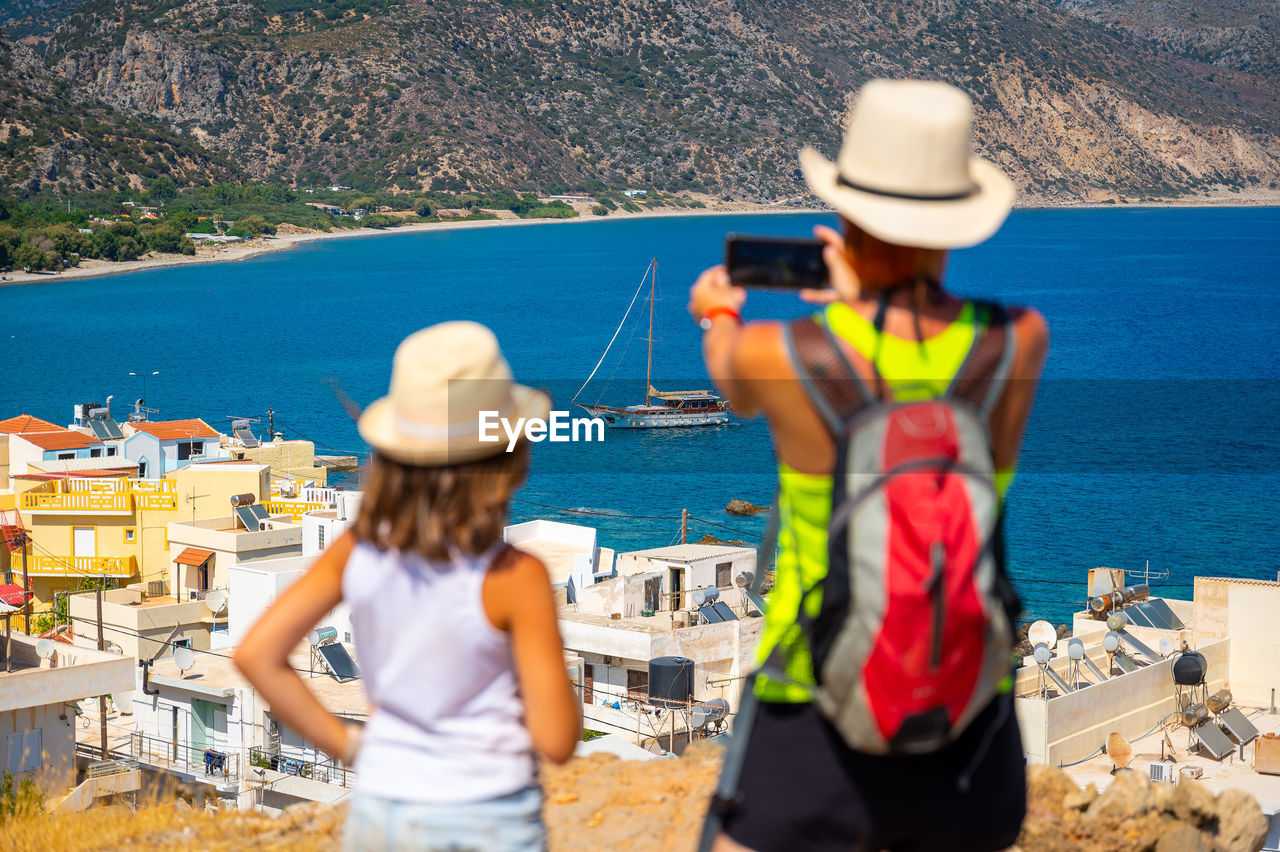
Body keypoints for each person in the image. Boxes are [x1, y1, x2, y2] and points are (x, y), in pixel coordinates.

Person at [688, 80, 1049, 852]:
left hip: (813, 692)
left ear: (846, 218)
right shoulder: (1018, 341)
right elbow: (919, 365)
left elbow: (732, 378)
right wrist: (871, 291)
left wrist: (718, 309)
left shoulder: (785, 354)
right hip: (965, 706)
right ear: (953, 224)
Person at [235, 321, 580, 852]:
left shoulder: (356, 549)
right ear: (508, 457)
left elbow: (257, 654)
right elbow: (557, 740)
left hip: (382, 809)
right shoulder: (516, 576)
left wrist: (349, 746)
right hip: (489, 815)